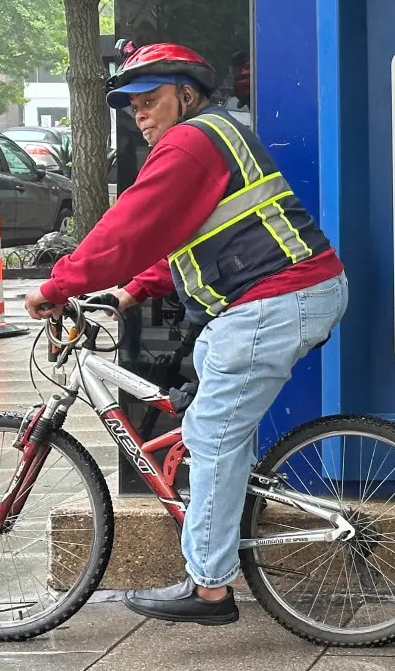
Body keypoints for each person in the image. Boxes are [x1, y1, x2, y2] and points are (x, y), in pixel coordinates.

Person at [23, 42, 347, 625]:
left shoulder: (191, 142)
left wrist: (57, 285)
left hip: (274, 298)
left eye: (152, 100)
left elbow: (129, 229)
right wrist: (131, 291)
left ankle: (210, 588)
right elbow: (186, 236)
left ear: (187, 95)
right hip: (283, 295)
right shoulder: (213, 138)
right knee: (224, 430)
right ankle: (222, 543)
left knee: (210, 436)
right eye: (133, 107)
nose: (141, 114)